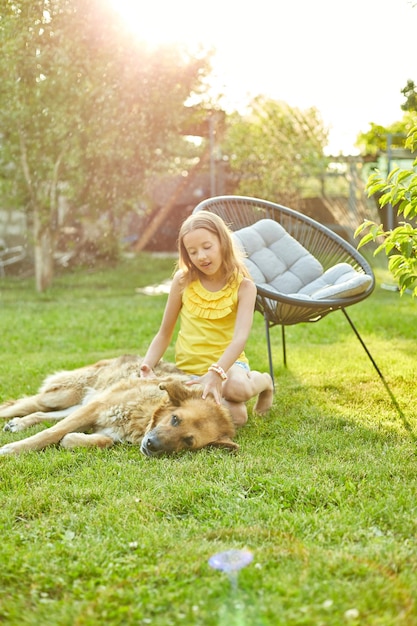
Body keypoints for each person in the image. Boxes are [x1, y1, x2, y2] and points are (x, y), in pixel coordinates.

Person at [140, 211, 274, 426]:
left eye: (207, 247)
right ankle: (219, 392)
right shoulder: (183, 281)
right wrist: (147, 364)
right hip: (190, 371)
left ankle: (265, 382)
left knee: (236, 389)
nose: (201, 256)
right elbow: (164, 333)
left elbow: (240, 338)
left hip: (229, 366)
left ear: (223, 243)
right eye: (192, 252)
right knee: (238, 418)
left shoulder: (244, 287)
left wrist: (217, 372)